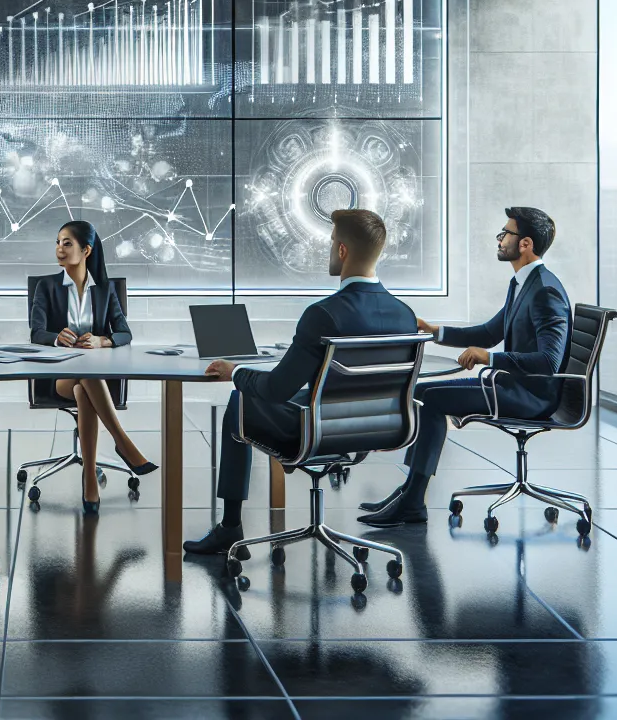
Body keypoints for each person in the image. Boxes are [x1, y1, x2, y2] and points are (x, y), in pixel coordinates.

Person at [183, 208, 416, 555]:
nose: (329, 249)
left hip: (319, 431)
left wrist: (236, 372)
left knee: (240, 401)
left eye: (331, 242)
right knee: (305, 396)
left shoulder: (323, 314)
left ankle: (230, 527)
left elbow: (278, 389)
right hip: (378, 429)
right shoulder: (405, 315)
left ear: (342, 250)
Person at [358, 206, 571, 527]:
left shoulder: (545, 290)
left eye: (506, 234)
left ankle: (413, 499)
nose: (500, 240)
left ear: (525, 244)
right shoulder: (523, 283)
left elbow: (548, 362)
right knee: (420, 393)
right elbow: (489, 332)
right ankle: (409, 490)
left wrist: (490, 358)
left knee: (430, 398)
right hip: (513, 387)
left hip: (530, 397)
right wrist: (435, 331)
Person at [28, 220, 156, 515]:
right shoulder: (46, 287)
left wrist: (102, 341)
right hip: (59, 375)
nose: (59, 249)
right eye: (58, 242)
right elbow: (36, 332)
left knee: (85, 389)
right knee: (84, 376)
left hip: (96, 381)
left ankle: (89, 478)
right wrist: (55, 337)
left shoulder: (105, 290)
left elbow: (125, 333)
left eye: (67, 243)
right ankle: (122, 441)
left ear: (86, 250)